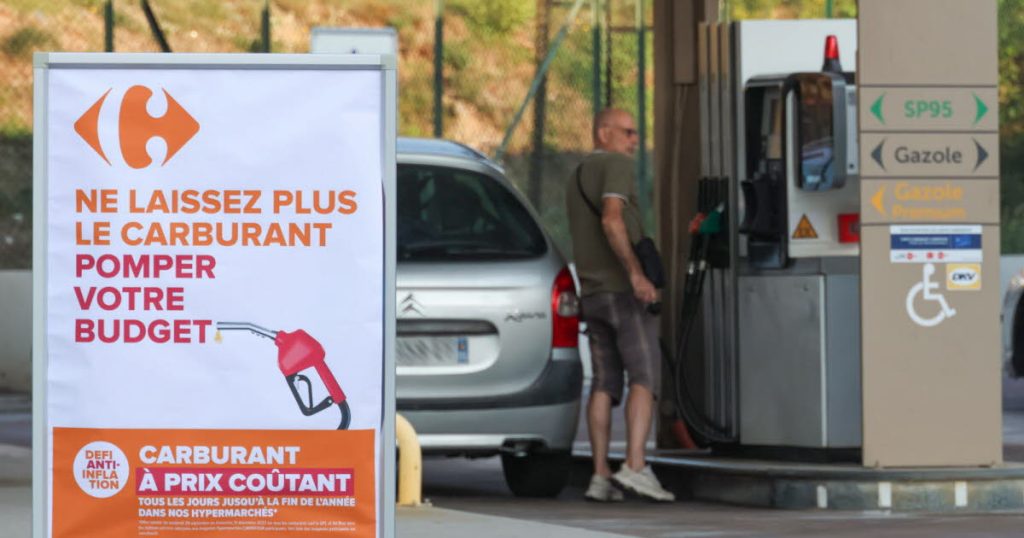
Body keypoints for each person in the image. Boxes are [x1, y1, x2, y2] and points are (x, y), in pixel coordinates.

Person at [566, 108, 674, 503]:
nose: (634, 141)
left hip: (592, 294)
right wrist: (636, 275)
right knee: (645, 378)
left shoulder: (577, 174)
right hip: (623, 294)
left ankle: (599, 475)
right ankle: (635, 465)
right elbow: (612, 220)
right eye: (627, 133)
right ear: (604, 133)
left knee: (604, 383)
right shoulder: (615, 166)